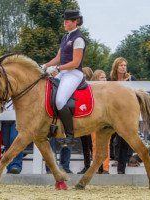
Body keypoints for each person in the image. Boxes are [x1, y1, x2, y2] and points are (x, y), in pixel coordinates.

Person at [43, 9, 86, 146]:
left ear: (75, 22)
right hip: (64, 72)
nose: (64, 23)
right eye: (64, 20)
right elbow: (58, 58)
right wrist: (44, 66)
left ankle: (70, 135)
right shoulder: (65, 37)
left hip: (74, 73)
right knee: (47, 94)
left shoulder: (78, 39)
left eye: (67, 21)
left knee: (60, 100)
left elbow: (75, 63)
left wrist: (57, 68)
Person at [108, 57, 136, 174]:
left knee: (123, 140)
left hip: (127, 113)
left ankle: (121, 168)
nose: (123, 67)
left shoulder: (131, 79)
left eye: (125, 65)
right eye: (121, 65)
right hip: (112, 113)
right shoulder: (110, 80)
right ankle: (115, 160)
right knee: (113, 139)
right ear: (116, 67)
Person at [90, 70, 110, 174]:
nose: (105, 79)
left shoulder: (108, 92)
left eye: (105, 77)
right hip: (94, 121)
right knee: (95, 144)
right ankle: (96, 168)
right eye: (102, 77)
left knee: (106, 144)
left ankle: (106, 168)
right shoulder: (91, 91)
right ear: (96, 79)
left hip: (106, 121)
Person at [77, 67, 93, 174]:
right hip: (83, 119)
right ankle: (87, 165)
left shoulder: (90, 88)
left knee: (92, 145)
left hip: (91, 119)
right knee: (85, 144)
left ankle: (95, 166)